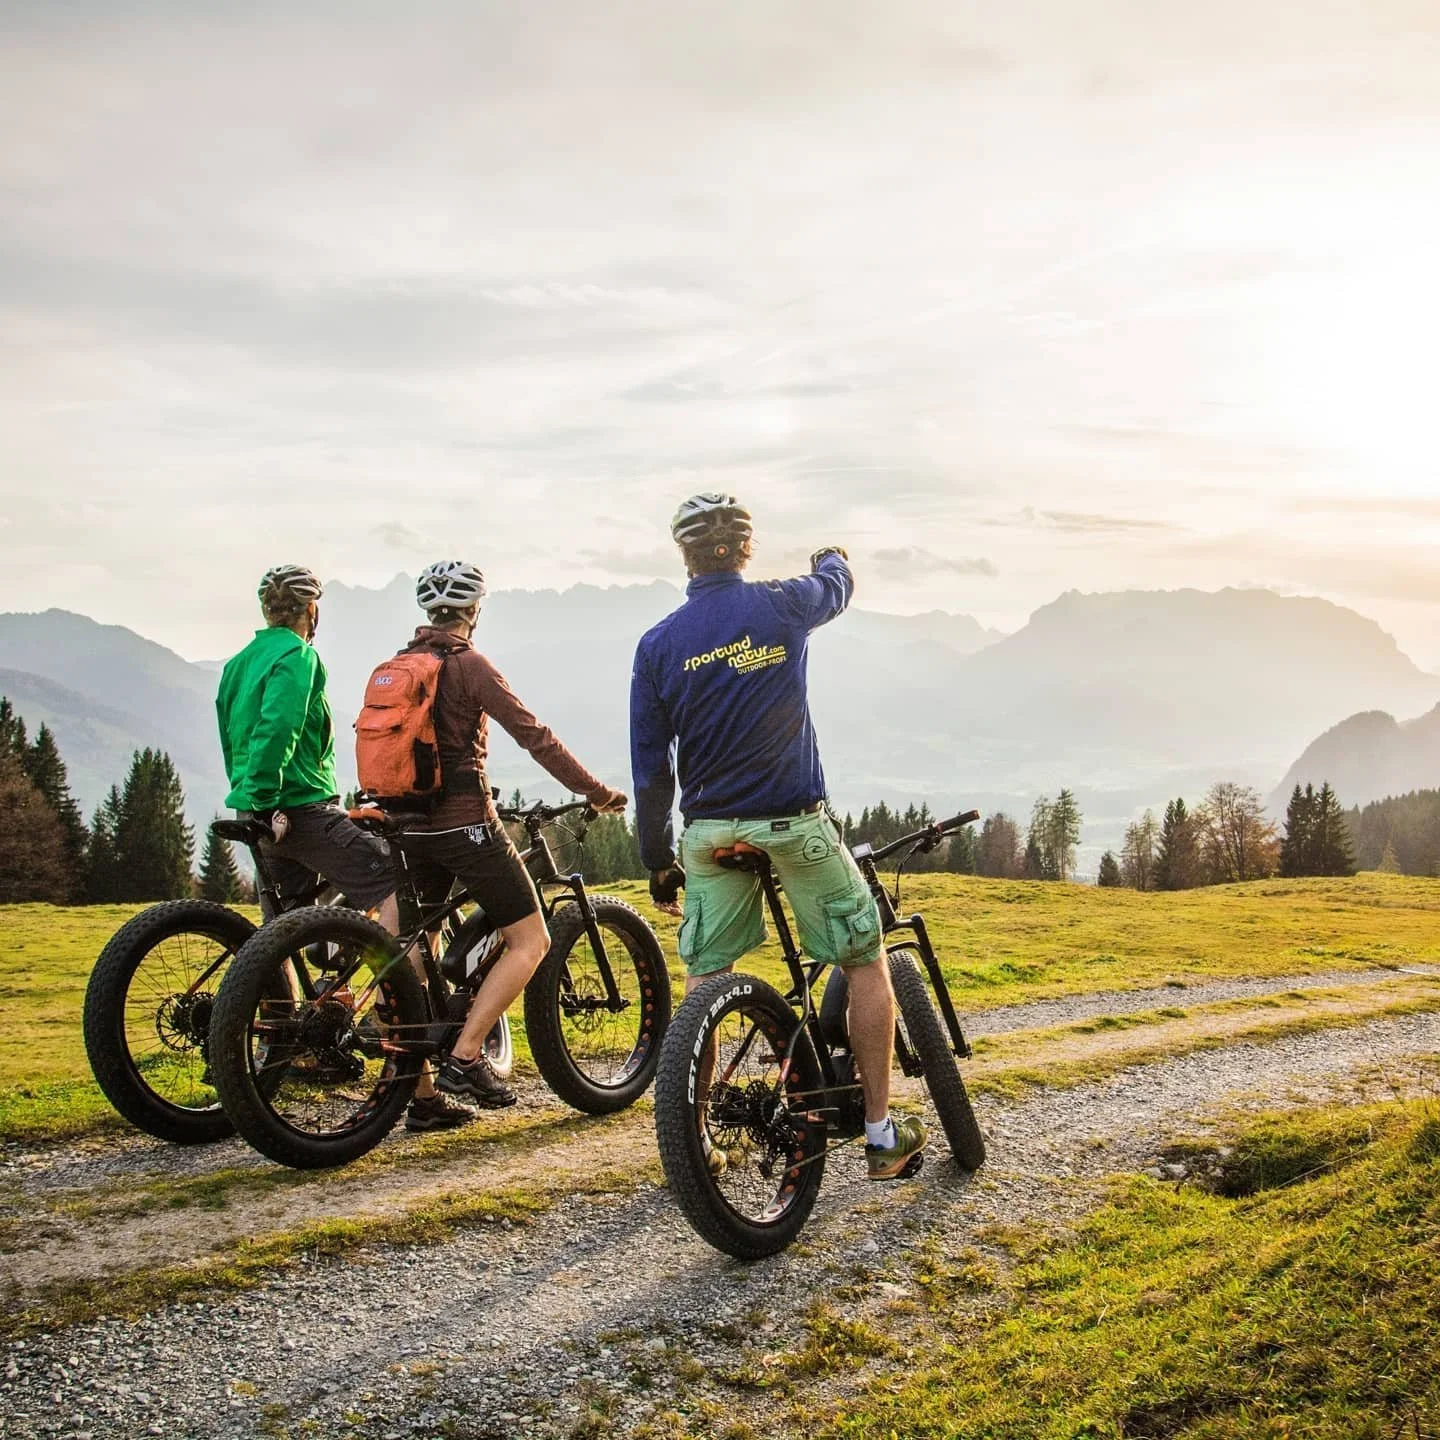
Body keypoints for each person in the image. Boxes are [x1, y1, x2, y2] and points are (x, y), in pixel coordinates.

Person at [629, 494, 925, 1180]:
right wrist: (833, 556)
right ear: (745, 548)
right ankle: (881, 1136)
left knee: (708, 977)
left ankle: (695, 1138)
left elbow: (651, 768)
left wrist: (658, 860)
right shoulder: (782, 603)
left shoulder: (658, 644)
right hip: (792, 821)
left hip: (708, 834)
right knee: (864, 959)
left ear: (686, 555)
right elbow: (835, 588)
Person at [215, 564, 470, 1133]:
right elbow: (278, 729)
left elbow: (234, 736)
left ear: (265, 610)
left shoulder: (236, 664)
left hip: (259, 808)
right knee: (394, 890)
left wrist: (251, 803)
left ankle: (304, 1038)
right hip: (295, 810)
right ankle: (403, 1045)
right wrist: (272, 803)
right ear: (312, 611)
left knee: (286, 926)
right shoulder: (299, 657)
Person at [374, 561, 627, 1110]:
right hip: (465, 822)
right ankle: (466, 1057)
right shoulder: (470, 666)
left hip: (407, 825)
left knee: (414, 948)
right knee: (531, 939)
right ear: (475, 611)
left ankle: (419, 1095)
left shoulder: (397, 665)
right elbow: (535, 737)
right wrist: (595, 791)